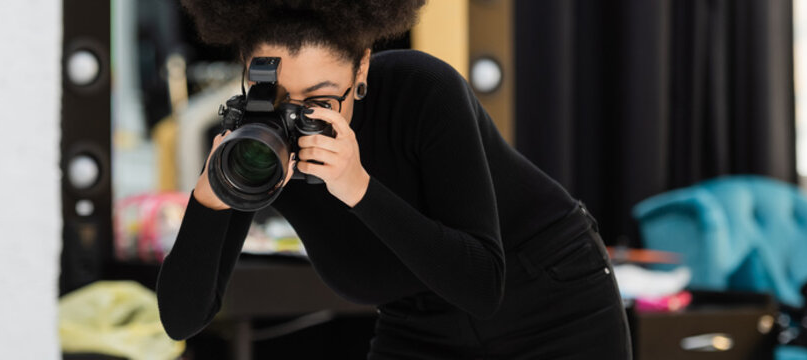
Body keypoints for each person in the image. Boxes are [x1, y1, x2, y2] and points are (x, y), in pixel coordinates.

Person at [156, 0, 632, 358]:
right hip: (418, 323)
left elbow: (483, 285)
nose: (296, 120)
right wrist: (209, 201)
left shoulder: (423, 90)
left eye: (321, 102)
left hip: (552, 301)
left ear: (361, 66)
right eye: (276, 98)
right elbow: (182, 320)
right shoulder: (258, 139)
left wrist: (358, 187)